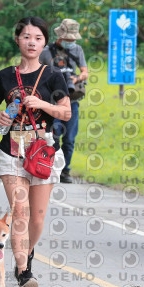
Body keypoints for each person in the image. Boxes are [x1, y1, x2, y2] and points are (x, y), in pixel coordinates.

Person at [0, 16, 71, 287]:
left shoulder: (53, 75)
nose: (32, 42)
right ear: (17, 39)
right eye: (26, 37)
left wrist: (43, 104)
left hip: (42, 154)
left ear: (44, 42)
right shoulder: (4, 76)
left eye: (38, 38)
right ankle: (24, 272)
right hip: (12, 153)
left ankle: (26, 253)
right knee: (20, 212)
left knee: (37, 218)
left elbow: (66, 112)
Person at [39, 18, 88, 184]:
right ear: (60, 36)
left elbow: (85, 72)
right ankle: (50, 166)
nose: (71, 42)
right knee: (53, 135)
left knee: (69, 139)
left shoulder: (77, 49)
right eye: (68, 39)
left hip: (72, 101)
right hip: (52, 102)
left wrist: (76, 79)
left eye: (73, 39)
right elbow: (37, 72)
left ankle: (65, 171)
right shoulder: (46, 52)